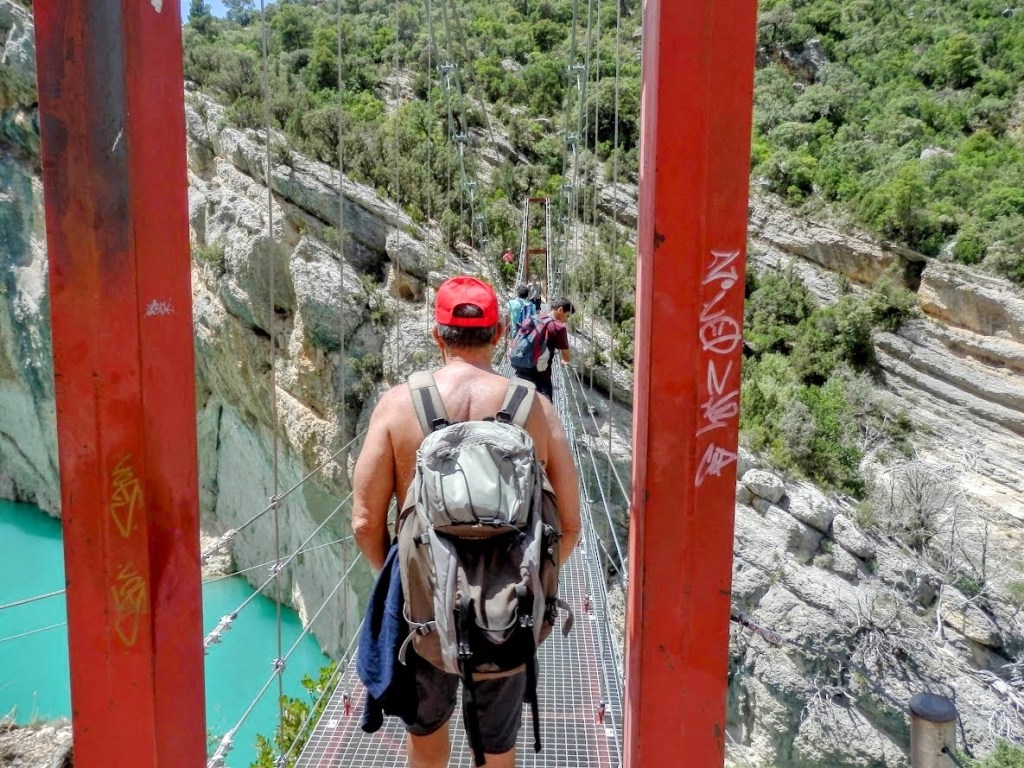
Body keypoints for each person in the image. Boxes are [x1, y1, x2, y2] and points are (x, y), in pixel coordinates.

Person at [352, 275, 582, 768]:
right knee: (496, 753)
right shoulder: (535, 409)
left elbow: (365, 520)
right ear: (499, 333)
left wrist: (402, 578)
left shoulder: (396, 407)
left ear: (438, 335)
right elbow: (570, 523)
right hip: (508, 609)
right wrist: (531, 580)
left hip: (421, 614)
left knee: (427, 745)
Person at [514, 298, 574, 400]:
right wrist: (565, 361)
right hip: (540, 375)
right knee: (545, 408)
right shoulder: (559, 327)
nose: (566, 320)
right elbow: (566, 356)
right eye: (567, 315)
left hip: (521, 366)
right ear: (560, 310)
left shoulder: (536, 317)